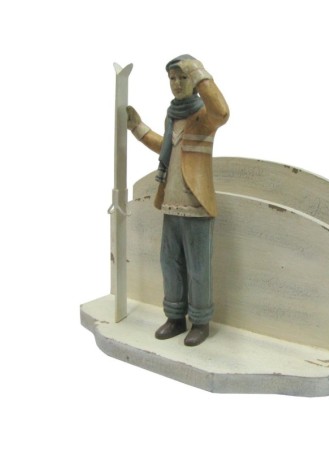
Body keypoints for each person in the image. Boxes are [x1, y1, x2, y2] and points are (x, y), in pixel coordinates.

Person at [127, 55, 229, 346]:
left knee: (198, 267)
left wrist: (198, 71)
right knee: (170, 262)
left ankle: (200, 321)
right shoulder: (173, 116)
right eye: (172, 78)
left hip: (196, 205)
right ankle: (174, 317)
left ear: (194, 82)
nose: (177, 83)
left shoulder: (203, 116)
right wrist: (137, 127)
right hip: (171, 203)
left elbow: (222, 112)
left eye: (183, 77)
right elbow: (166, 147)